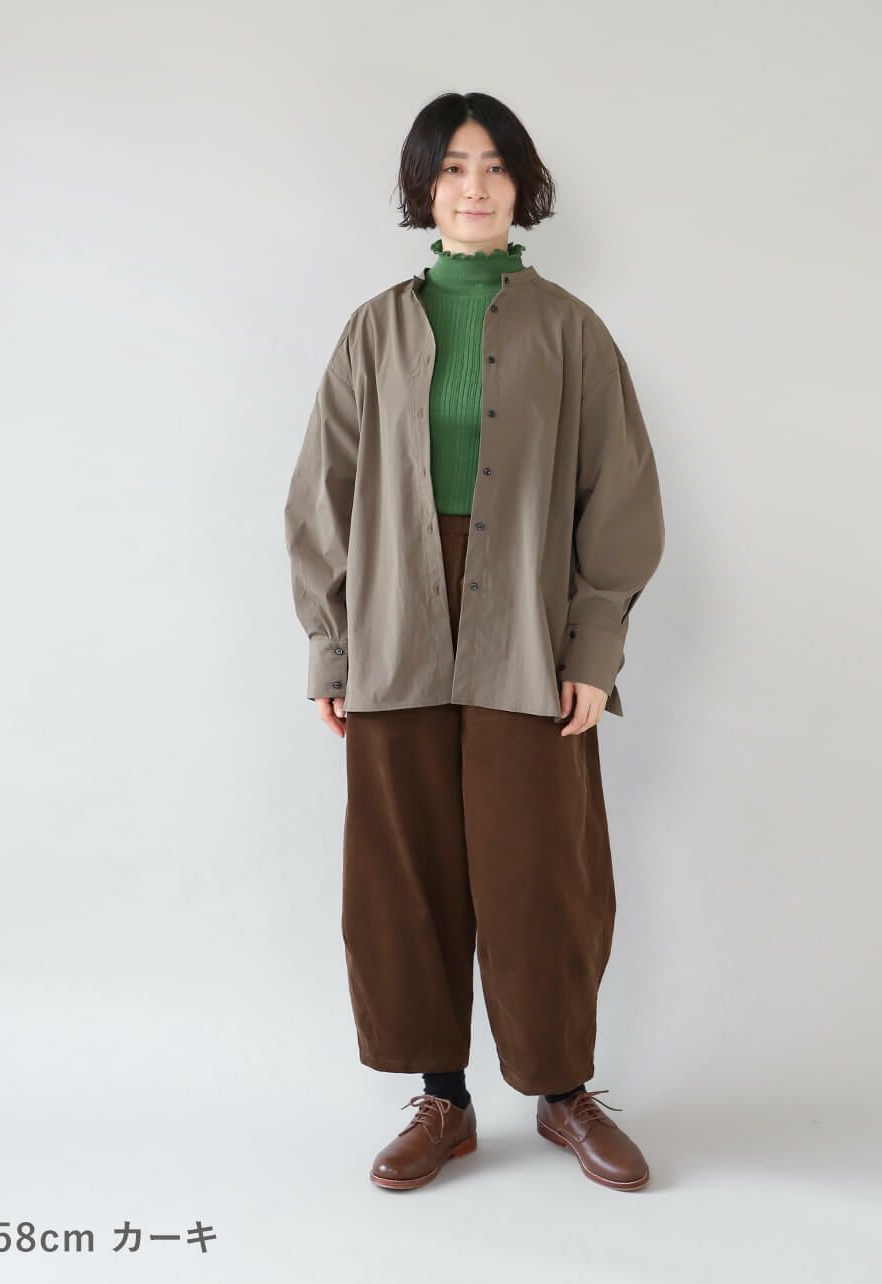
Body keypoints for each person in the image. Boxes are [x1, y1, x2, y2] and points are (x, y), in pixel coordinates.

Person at [284, 91, 666, 1192]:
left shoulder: (571, 331)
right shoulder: (373, 332)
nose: (474, 187)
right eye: (452, 167)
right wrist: (330, 646)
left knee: (539, 867)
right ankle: (441, 1102)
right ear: (424, 189)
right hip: (393, 624)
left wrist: (592, 648)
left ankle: (560, 1092)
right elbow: (321, 496)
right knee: (403, 872)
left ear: (522, 185)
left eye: (494, 166)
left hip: (528, 631)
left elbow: (619, 497)